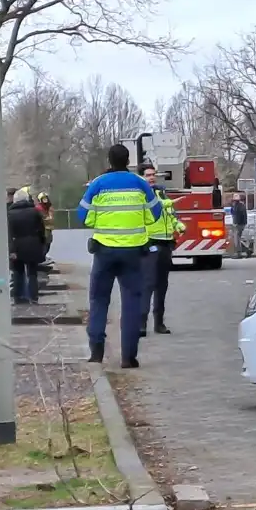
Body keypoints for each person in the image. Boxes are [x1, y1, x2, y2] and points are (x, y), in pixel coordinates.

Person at [78, 144, 161, 369]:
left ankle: (96, 353)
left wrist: (101, 221)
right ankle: (128, 357)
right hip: (134, 253)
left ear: (110, 160)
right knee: (132, 302)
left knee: (98, 300)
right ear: (128, 161)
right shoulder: (140, 184)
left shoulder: (97, 184)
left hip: (104, 252)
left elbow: (83, 215)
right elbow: (155, 214)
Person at [140, 164, 185, 336]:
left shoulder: (161, 192)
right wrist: (168, 202)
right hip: (150, 242)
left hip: (166, 243)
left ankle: (159, 323)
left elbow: (170, 215)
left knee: (162, 285)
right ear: (141, 178)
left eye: (153, 175)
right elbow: (157, 206)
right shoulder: (142, 195)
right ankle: (141, 324)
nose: (151, 178)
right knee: (148, 284)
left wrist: (178, 225)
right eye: (147, 175)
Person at [7, 188, 46, 304]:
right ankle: (34, 297)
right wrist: (41, 243)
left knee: (18, 272)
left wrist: (11, 249)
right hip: (33, 244)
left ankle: (19, 296)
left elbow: (8, 233)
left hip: (17, 245)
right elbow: (41, 230)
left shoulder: (10, 214)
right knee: (32, 272)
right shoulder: (35, 212)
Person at [35, 191, 54, 258]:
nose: (45, 200)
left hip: (49, 229)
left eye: (46, 198)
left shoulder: (49, 207)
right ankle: (42, 256)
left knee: (48, 242)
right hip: (43, 229)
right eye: (43, 198)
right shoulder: (38, 208)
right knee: (44, 243)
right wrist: (48, 219)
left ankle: (44, 255)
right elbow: (44, 219)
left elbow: (51, 218)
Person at [230, 193, 248, 258]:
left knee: (236, 239)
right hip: (240, 224)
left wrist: (236, 223)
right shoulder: (238, 205)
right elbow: (233, 213)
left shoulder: (238, 206)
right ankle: (247, 250)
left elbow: (238, 215)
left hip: (239, 224)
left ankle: (239, 253)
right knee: (238, 238)